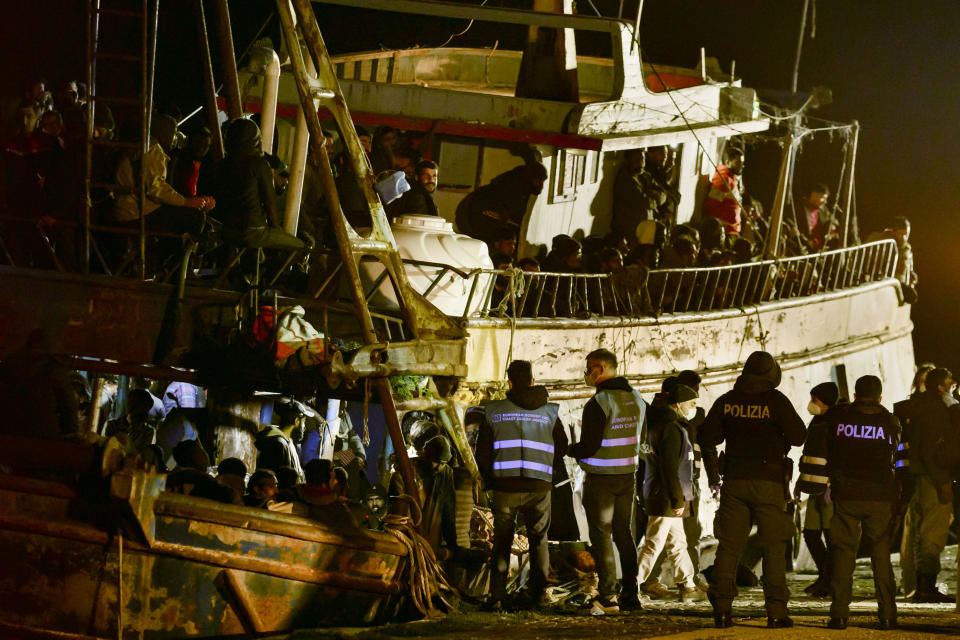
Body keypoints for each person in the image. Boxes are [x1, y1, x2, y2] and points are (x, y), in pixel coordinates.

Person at [699, 350, 806, 628]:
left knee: (729, 546)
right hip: (770, 482)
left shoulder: (727, 401)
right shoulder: (776, 401)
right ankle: (776, 613)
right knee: (773, 547)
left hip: (735, 481)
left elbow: (707, 436)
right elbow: (798, 436)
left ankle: (722, 611)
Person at [475, 360, 569, 610]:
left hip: (505, 487)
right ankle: (537, 594)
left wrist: (489, 481)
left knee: (502, 541)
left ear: (509, 382)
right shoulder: (550, 412)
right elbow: (562, 447)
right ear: (533, 381)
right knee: (539, 540)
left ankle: (496, 597)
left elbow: (482, 453)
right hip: (539, 486)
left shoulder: (493, 411)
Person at [813, 376, 901, 630]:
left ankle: (839, 615)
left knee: (843, 555)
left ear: (854, 395)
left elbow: (830, 451)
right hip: (879, 497)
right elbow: (895, 454)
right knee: (881, 557)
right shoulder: (889, 421)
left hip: (847, 495)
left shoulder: (840, 420)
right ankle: (887, 616)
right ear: (880, 398)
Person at [569, 348, 645, 614]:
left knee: (601, 536)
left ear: (600, 369)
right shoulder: (637, 398)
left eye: (589, 368)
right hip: (627, 477)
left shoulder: (598, 403)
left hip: (601, 479)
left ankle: (607, 596)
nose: (586, 373)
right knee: (625, 535)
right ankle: (631, 596)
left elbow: (590, 446)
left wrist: (570, 449)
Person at [635, 378, 701, 602]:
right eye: (691, 404)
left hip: (664, 495)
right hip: (666, 497)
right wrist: (677, 499)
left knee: (677, 542)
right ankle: (631, 586)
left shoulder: (660, 425)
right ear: (678, 404)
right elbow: (670, 467)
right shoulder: (671, 429)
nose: (694, 408)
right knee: (654, 544)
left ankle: (688, 585)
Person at [901, 366, 955, 603]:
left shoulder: (921, 406)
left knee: (922, 532)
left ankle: (920, 586)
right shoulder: (936, 409)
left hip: (922, 477)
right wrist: (942, 481)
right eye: (948, 380)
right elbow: (930, 449)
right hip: (933, 478)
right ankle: (926, 587)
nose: (953, 383)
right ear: (940, 385)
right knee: (933, 533)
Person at [212, 118, 304, 250]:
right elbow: (269, 201)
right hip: (253, 231)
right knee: (300, 246)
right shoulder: (259, 164)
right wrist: (276, 230)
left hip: (227, 231)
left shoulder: (221, 165)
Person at [113, 113, 214, 232]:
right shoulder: (153, 149)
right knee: (193, 218)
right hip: (136, 211)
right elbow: (156, 188)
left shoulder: (152, 148)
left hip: (138, 207)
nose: (175, 137)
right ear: (164, 132)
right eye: (173, 132)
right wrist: (186, 202)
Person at [794, 381, 841, 598]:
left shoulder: (836, 423)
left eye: (815, 399)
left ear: (826, 401)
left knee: (832, 538)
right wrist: (799, 483)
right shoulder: (817, 421)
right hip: (813, 489)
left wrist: (833, 485)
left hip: (828, 490)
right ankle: (825, 576)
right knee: (811, 534)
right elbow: (808, 454)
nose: (811, 404)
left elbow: (839, 456)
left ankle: (831, 581)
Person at [894, 362, 935, 597]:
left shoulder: (906, 408)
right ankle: (913, 583)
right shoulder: (908, 409)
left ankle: (914, 583)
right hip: (915, 478)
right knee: (915, 532)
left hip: (917, 476)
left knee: (916, 532)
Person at [388, 435, 459, 559]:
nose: (439, 467)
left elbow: (449, 512)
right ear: (425, 455)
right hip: (407, 545)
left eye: (443, 463)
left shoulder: (445, 475)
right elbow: (396, 518)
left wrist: (452, 545)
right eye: (436, 462)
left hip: (431, 547)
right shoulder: (404, 474)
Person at [454, 162, 547, 244]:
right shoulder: (516, 185)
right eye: (540, 180)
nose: (541, 185)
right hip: (472, 215)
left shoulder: (517, 182)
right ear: (533, 177)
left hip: (470, 213)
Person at [702, 148, 744, 237]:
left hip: (731, 230)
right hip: (724, 231)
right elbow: (711, 205)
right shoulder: (724, 179)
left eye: (742, 163)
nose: (741, 166)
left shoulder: (731, 179)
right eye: (738, 163)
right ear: (728, 162)